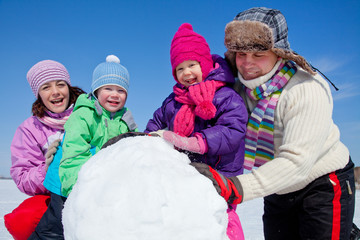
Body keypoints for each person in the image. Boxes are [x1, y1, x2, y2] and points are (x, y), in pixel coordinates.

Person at [191, 7, 356, 240]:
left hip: (322, 184)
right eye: (241, 54)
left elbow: (297, 161)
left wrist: (235, 187)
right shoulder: (237, 88)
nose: (247, 63)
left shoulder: (305, 88)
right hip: (277, 185)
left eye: (258, 55)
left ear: (279, 53)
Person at [145, 23, 248, 240]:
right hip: (187, 174)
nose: (186, 73)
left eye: (192, 64)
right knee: (191, 224)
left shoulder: (225, 96)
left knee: (221, 219)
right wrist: (146, 141)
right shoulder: (173, 101)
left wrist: (196, 142)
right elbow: (155, 122)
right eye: (179, 69)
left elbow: (233, 129)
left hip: (221, 176)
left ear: (205, 64)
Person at [28, 55, 138, 239]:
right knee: (56, 227)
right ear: (96, 91)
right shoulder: (84, 115)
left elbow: (133, 145)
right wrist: (76, 188)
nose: (114, 94)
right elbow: (73, 153)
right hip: (66, 181)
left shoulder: (125, 119)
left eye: (121, 90)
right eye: (108, 88)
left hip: (96, 182)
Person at [5, 60, 85, 240]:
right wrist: (48, 168)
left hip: (91, 189)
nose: (55, 92)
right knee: (22, 220)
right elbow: (22, 177)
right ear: (38, 94)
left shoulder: (88, 114)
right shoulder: (29, 129)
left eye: (60, 84)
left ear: (69, 87)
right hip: (53, 196)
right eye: (46, 87)